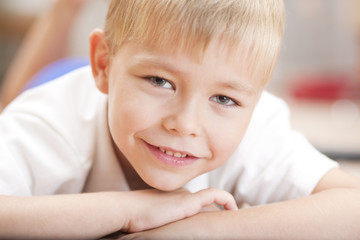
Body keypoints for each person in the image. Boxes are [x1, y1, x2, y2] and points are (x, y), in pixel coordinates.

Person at [0, 0, 359, 239]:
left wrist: (204, 230)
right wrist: (131, 210)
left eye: (224, 98)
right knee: (13, 102)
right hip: (58, 85)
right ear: (104, 66)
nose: (185, 124)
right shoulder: (50, 123)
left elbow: (352, 207)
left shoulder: (253, 123)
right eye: (160, 81)